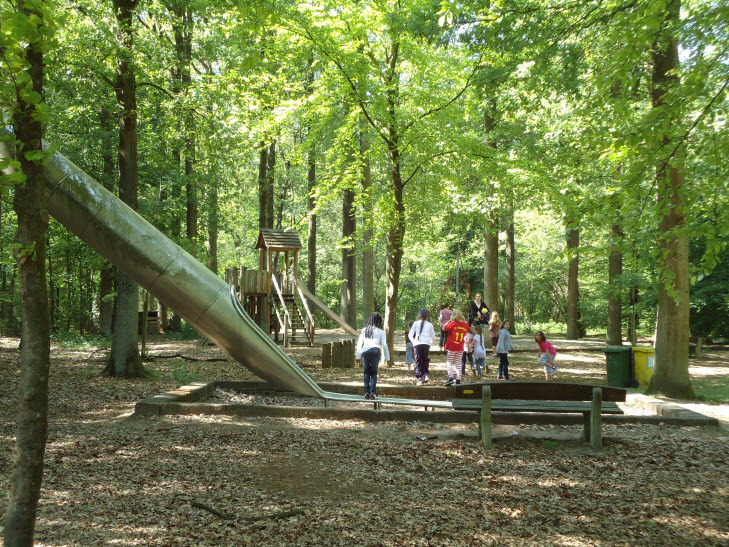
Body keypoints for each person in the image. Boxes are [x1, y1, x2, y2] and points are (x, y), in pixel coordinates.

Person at [355, 312, 390, 399]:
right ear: (379, 321)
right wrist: (388, 358)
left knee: (366, 372)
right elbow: (384, 345)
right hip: (376, 351)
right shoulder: (381, 331)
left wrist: (358, 356)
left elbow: (359, 344)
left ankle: (366, 392)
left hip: (365, 351)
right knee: (374, 373)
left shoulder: (364, 330)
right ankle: (373, 393)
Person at [442, 309, 470, 386]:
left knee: (449, 362)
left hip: (452, 346)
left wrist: (449, 321)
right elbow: (466, 330)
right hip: (460, 347)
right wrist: (463, 321)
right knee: (458, 363)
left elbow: (443, 328)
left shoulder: (452, 324)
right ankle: (458, 380)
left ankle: (450, 378)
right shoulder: (466, 325)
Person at [409, 309, 436, 386]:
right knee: (425, 360)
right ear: (427, 317)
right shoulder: (430, 325)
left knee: (418, 361)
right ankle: (426, 374)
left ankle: (419, 379)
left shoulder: (415, 323)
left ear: (419, 316)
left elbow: (410, 334)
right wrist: (430, 343)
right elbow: (433, 337)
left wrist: (414, 342)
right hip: (426, 344)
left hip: (417, 344)